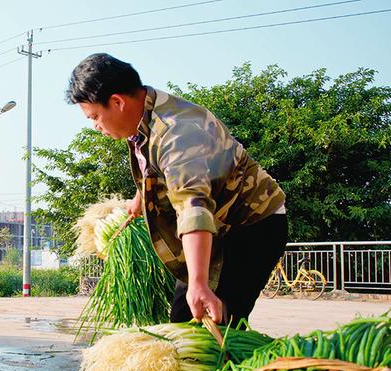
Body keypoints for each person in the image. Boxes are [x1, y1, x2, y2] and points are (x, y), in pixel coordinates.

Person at [67, 53, 287, 324]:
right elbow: (156, 167)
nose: (96, 126)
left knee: (218, 322)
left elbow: (194, 206)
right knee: (184, 320)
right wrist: (140, 198)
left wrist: (198, 282)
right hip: (218, 226)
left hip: (250, 224)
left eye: (95, 117)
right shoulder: (143, 118)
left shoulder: (177, 132)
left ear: (117, 102)